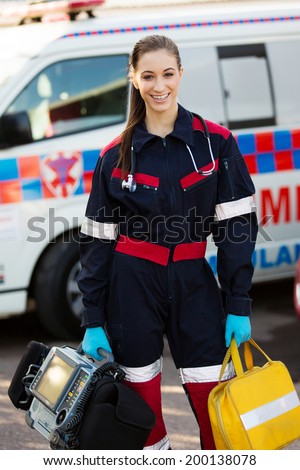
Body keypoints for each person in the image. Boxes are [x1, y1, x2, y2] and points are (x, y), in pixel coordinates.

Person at [77, 34, 258, 450]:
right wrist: (92, 319)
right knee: (141, 407)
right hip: (132, 286)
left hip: (194, 283)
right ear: (134, 79)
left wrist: (238, 304)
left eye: (168, 74)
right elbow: (97, 242)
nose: (160, 86)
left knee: (215, 399)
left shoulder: (216, 144)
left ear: (181, 74)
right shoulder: (114, 156)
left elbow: (237, 230)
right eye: (148, 76)